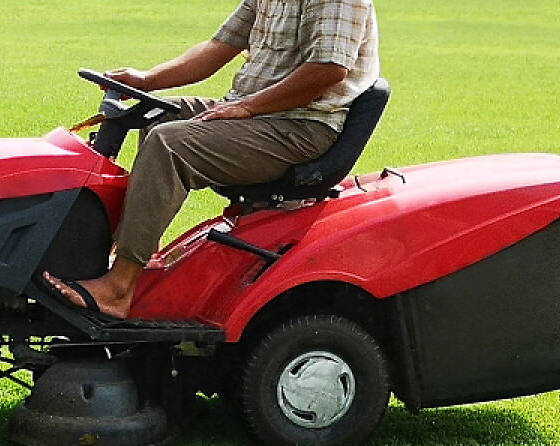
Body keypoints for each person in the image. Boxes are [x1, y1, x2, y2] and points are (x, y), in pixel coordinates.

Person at [45, 0, 379, 320]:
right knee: (156, 116)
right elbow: (220, 46)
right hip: (260, 113)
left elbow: (328, 70)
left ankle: (117, 290)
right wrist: (147, 80)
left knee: (169, 144)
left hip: (302, 127)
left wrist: (248, 107)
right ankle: (139, 259)